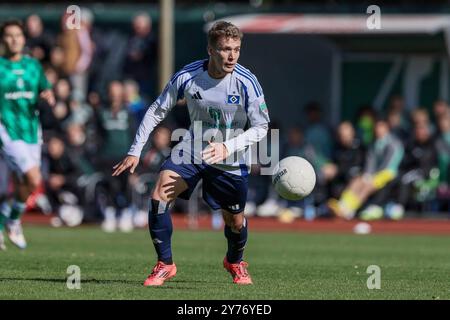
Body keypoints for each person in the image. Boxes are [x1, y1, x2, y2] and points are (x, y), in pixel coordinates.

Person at [112, 21, 270, 286]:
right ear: (210, 50)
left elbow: (262, 126)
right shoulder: (188, 75)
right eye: (224, 49)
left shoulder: (246, 82)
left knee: (235, 220)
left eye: (236, 49)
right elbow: (156, 110)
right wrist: (135, 150)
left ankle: (235, 261)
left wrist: (227, 147)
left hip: (230, 157)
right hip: (193, 149)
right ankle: (165, 264)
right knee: (160, 193)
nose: (231, 56)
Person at [0, 20, 55, 250]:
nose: (14, 39)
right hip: (7, 130)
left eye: (18, 35)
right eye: (9, 35)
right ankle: (12, 221)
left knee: (27, 183)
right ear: (3, 40)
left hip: (32, 131)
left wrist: (48, 96)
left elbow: (45, 88)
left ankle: (6, 217)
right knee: (33, 178)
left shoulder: (34, 66)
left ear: (24, 39)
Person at [328, 117, 404, 220]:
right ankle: (343, 204)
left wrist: (373, 176)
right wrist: (367, 174)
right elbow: (370, 161)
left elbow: (389, 164)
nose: (378, 130)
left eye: (381, 127)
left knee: (367, 185)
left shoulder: (393, 143)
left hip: (388, 173)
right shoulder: (374, 143)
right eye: (376, 127)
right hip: (376, 173)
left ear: (386, 128)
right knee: (358, 180)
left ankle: (350, 209)